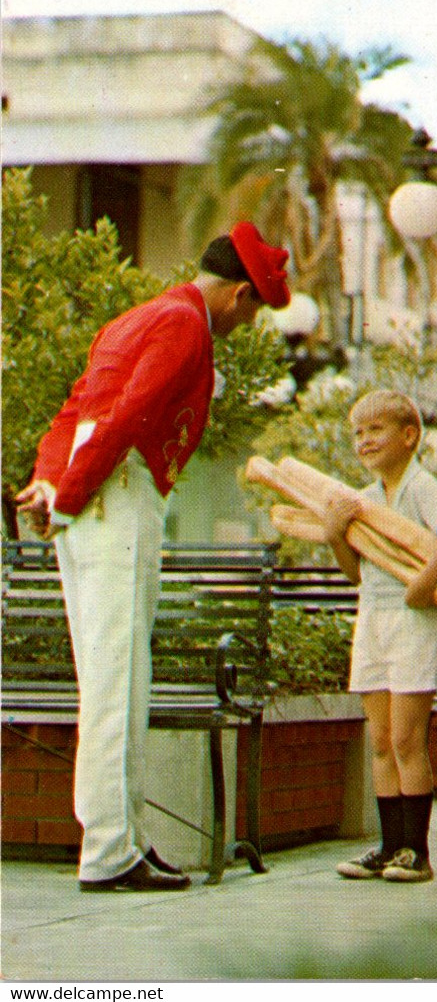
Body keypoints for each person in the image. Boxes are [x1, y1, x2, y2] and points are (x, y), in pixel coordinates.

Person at [16, 222, 291, 892]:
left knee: (109, 677)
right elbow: (132, 414)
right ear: (237, 293)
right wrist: (73, 494)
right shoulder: (186, 324)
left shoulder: (135, 317)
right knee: (119, 678)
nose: (248, 321)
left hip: (91, 490)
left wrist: (51, 482)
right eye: (254, 308)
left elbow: (75, 409)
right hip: (115, 491)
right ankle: (110, 851)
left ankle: (122, 839)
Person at [323, 389, 437, 883]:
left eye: (376, 430)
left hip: (413, 622)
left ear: (409, 436)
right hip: (373, 620)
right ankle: (390, 846)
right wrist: (334, 535)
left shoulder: (420, 487)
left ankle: (417, 850)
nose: (364, 441)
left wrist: (426, 579)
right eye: (358, 433)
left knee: (409, 738)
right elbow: (357, 573)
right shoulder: (365, 500)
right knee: (382, 740)